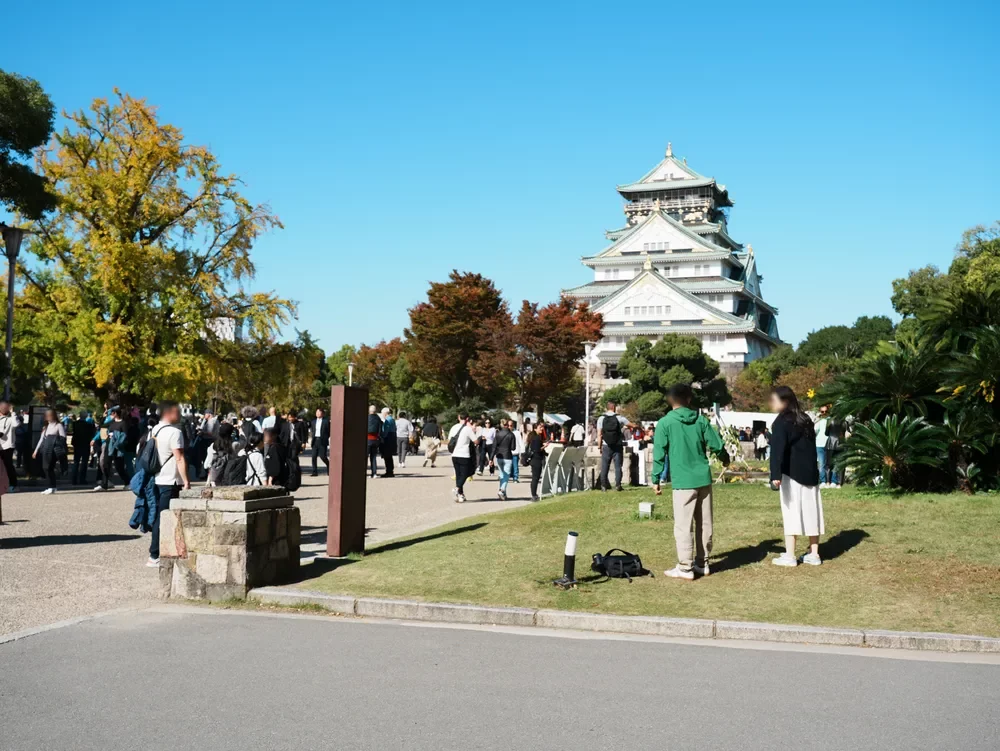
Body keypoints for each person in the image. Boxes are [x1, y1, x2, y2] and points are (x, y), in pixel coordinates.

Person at [653, 384, 729, 581]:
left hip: (682, 480)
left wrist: (656, 478)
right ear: (689, 399)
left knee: (683, 525)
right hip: (703, 478)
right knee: (704, 523)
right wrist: (725, 458)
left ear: (670, 400)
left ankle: (685, 567)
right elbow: (716, 444)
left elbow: (659, 452)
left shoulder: (665, 423)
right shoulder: (701, 420)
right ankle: (703, 563)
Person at [770, 386, 825, 567]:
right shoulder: (805, 419)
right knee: (812, 512)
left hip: (791, 473)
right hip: (810, 473)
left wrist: (775, 474)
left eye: (774, 400)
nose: (771, 404)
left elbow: (777, 450)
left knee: (791, 512)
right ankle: (814, 554)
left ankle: (790, 555)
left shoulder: (781, 421)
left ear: (784, 401)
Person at [148, 401, 189, 567]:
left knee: (159, 515)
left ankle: (158, 552)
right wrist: (186, 481)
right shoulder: (175, 433)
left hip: (157, 477)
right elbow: (179, 458)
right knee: (164, 517)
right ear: (169, 412)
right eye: (177, 411)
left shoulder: (155, 429)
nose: (179, 414)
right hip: (171, 479)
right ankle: (155, 554)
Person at [596, 401, 629, 491]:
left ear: (607, 408)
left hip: (606, 445)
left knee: (605, 466)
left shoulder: (601, 418)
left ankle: (603, 486)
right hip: (617, 445)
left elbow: (599, 434)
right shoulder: (619, 418)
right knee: (618, 466)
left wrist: (599, 446)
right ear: (614, 408)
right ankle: (618, 485)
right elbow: (629, 424)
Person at [34, 409, 67, 495]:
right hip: (46, 449)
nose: (48, 417)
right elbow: (41, 439)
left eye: (50, 415)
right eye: (47, 415)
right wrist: (36, 451)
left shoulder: (58, 425)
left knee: (48, 467)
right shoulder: (46, 427)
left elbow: (63, 438)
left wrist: (54, 439)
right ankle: (51, 486)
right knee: (46, 468)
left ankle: (51, 487)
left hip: (54, 450)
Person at [447, 413, 476, 502]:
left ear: (459, 418)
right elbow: (475, 441)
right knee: (465, 473)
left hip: (454, 454)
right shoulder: (468, 429)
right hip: (464, 454)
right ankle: (457, 488)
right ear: (467, 419)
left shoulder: (453, 427)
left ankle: (460, 495)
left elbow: (449, 440)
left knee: (458, 474)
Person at [524, 422, 549, 501]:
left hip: (534, 460)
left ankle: (534, 494)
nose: (542, 429)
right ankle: (534, 495)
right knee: (535, 478)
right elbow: (537, 450)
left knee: (535, 478)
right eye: (540, 427)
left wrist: (545, 451)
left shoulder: (533, 436)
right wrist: (545, 446)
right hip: (536, 460)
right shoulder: (537, 437)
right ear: (535, 429)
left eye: (542, 427)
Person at [493, 419, 516, 501]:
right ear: (507, 425)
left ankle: (503, 493)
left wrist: (491, 458)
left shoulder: (498, 434)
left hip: (499, 456)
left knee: (502, 474)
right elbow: (513, 448)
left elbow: (494, 447)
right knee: (506, 475)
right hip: (507, 456)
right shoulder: (511, 434)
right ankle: (502, 490)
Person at [71, 411, 96, 485]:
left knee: (76, 462)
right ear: (86, 416)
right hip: (85, 444)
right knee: (84, 462)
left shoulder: (75, 423)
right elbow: (92, 433)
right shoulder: (89, 425)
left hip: (77, 444)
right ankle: (82, 479)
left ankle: (74, 479)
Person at [0, 401, 19, 491]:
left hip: (8, 446)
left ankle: (13, 484)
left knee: (8, 466)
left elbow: (16, 424)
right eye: (2, 407)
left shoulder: (11, 419)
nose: (4, 409)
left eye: (6, 408)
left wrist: (13, 413)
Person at [309, 407, 330, 477]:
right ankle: (314, 472)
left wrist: (326, 437)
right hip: (315, 440)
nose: (317, 413)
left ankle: (329, 466)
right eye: (316, 412)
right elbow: (312, 430)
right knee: (313, 457)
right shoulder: (313, 422)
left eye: (319, 412)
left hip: (322, 441)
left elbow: (329, 431)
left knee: (323, 456)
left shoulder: (326, 422)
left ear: (322, 414)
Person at [379, 407, 396, 477]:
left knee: (387, 456)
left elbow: (385, 431)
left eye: (382, 413)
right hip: (392, 438)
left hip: (388, 439)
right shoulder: (392, 419)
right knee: (389, 456)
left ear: (385, 413)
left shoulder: (387, 420)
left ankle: (389, 471)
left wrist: (382, 436)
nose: (382, 415)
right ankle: (390, 470)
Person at [366, 405, 382, 479]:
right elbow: (380, 429)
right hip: (375, 439)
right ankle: (374, 473)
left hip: (367, 439)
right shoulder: (378, 418)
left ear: (369, 411)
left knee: (365, 457)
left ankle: (364, 472)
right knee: (373, 457)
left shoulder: (366, 418)